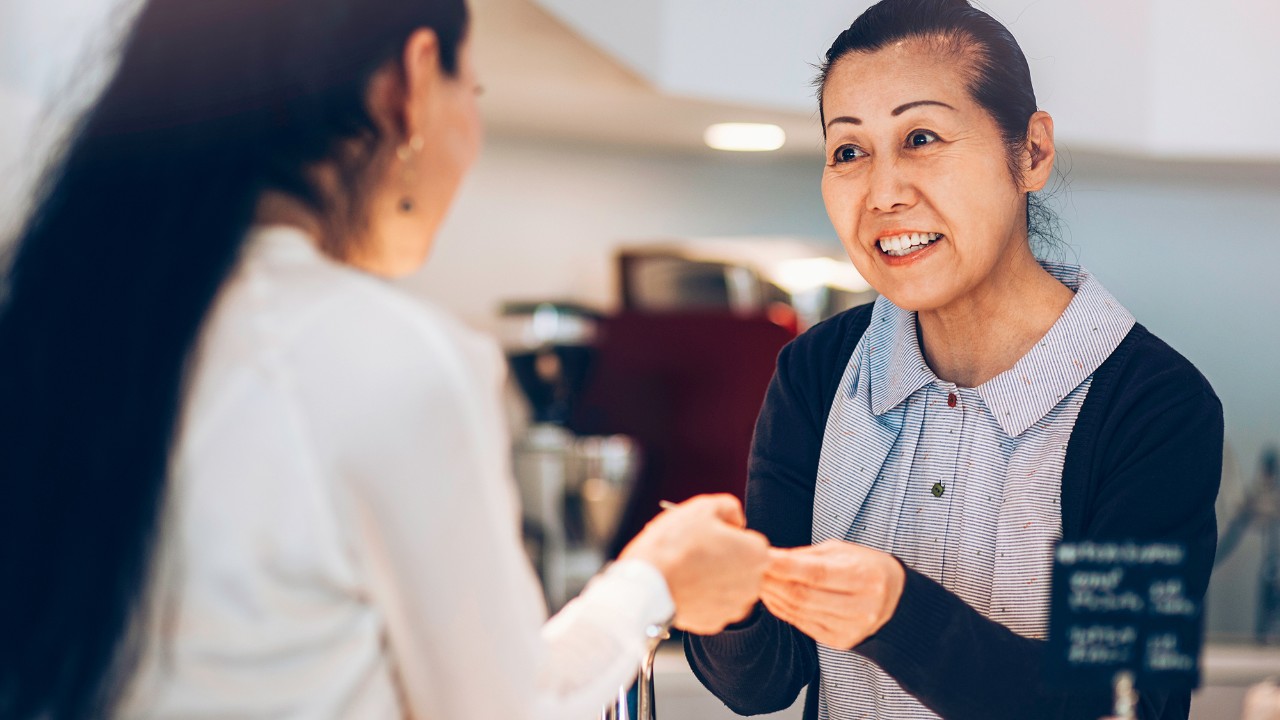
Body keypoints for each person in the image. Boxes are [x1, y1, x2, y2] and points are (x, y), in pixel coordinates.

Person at [0, 1, 771, 718]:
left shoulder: (65, 330)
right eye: (471, 87)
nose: (470, 125)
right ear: (411, 78)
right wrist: (655, 580)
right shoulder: (388, 356)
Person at [684, 1, 1222, 719]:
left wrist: (897, 614)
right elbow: (763, 682)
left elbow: (1129, 705)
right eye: (849, 151)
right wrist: (726, 604)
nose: (882, 193)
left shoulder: (1150, 404)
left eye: (922, 137)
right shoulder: (816, 373)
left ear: (1030, 153)